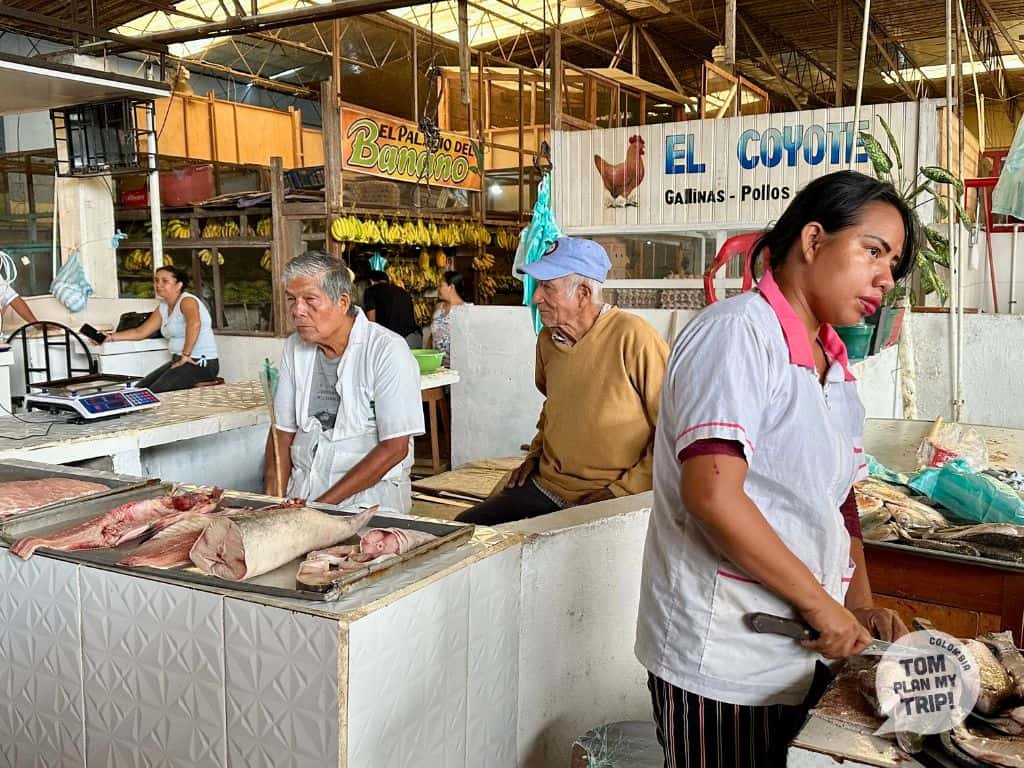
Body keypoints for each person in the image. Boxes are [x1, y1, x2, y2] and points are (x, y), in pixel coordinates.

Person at [635, 171, 915, 767]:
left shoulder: (835, 369)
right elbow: (713, 495)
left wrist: (858, 605)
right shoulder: (737, 334)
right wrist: (822, 607)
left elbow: (838, 504)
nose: (886, 279)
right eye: (874, 252)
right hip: (723, 656)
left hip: (801, 655)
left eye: (893, 263)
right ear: (813, 241)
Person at [457, 237, 668, 526]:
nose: (535, 298)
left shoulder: (634, 337)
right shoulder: (548, 339)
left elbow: (673, 429)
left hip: (610, 493)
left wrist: (621, 491)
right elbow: (555, 407)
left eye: (547, 287)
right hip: (548, 485)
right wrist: (534, 456)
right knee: (464, 530)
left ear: (582, 293)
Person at [264, 251, 424, 513]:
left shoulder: (387, 350)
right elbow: (282, 432)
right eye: (292, 300)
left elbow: (395, 448)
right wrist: (274, 501)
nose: (297, 311)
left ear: (342, 301)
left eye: (310, 300)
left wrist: (319, 510)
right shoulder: (295, 347)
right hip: (303, 494)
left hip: (368, 500)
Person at [102, 266, 220, 393]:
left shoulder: (187, 300)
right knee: (139, 390)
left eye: (165, 281)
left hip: (200, 362)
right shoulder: (163, 307)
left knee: (155, 393)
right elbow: (140, 332)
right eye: (156, 280)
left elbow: (195, 323)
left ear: (178, 285)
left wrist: (186, 355)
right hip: (179, 361)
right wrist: (111, 337)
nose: (159, 285)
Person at [363, 269, 421, 348]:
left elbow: (372, 322)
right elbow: (414, 318)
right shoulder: (403, 291)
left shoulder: (370, 291)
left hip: (392, 342)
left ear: (371, 281)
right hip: (413, 338)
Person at [428, 270, 470, 367]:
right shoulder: (438, 308)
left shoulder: (467, 310)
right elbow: (432, 336)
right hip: (437, 365)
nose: (438, 289)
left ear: (451, 287)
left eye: (441, 285)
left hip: (457, 366)